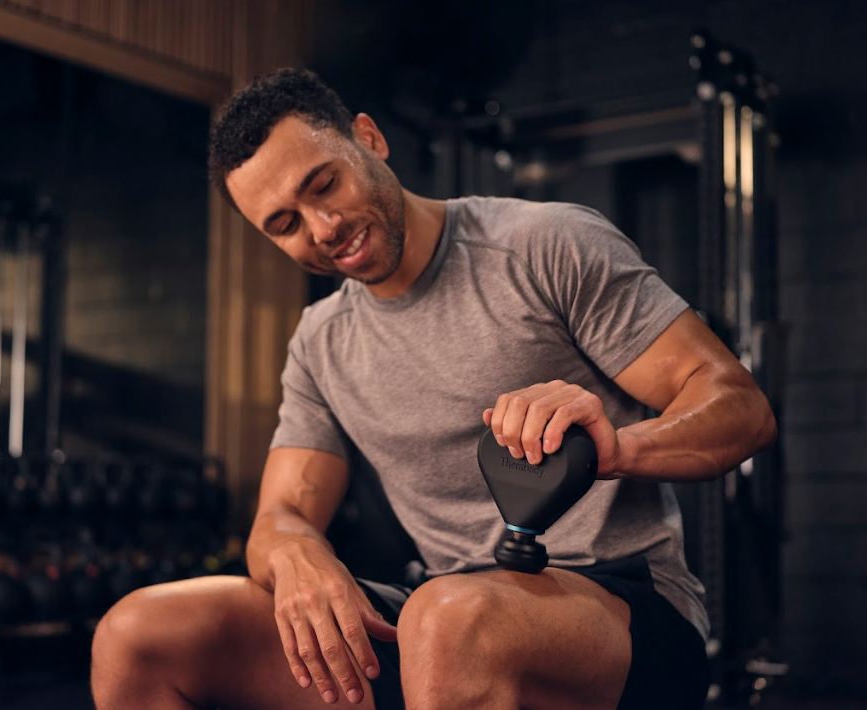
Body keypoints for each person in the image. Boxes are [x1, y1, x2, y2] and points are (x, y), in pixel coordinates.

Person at [90, 68, 776, 710]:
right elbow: (281, 516)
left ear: (369, 138)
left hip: (622, 606)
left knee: (447, 617)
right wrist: (297, 552)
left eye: (324, 185)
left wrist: (616, 446)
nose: (323, 230)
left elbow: (740, 407)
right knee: (138, 635)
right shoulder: (322, 342)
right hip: (440, 616)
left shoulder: (545, 246)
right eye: (285, 224)